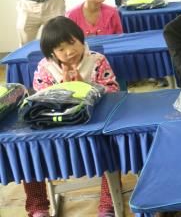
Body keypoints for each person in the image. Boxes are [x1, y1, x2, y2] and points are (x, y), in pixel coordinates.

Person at [26, 16, 119, 217]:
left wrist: (85, 86)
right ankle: (38, 207)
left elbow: (113, 91)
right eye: (61, 49)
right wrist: (63, 89)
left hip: (93, 127)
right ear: (52, 52)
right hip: (55, 131)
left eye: (72, 43)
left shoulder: (97, 60)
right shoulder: (45, 67)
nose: (69, 52)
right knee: (27, 153)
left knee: (113, 145)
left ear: (81, 38)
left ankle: (107, 204)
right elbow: (39, 101)